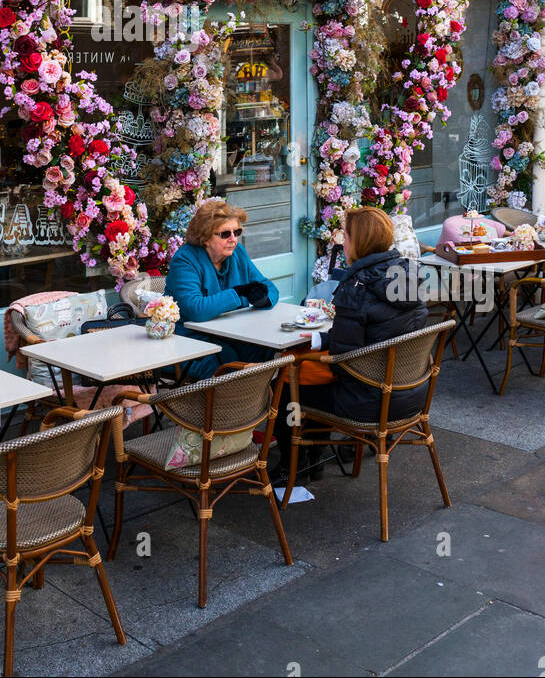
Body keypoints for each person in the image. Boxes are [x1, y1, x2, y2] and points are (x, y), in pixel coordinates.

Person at [272, 205, 429, 487]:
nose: (341, 241)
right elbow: (376, 335)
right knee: (309, 370)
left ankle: (293, 466)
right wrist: (318, 339)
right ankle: (313, 457)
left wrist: (311, 357)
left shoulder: (357, 285)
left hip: (368, 402)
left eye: (345, 235)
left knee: (288, 383)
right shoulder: (407, 274)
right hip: (411, 393)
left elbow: (343, 358)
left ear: (359, 241)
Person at [165, 198, 279, 378]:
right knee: (226, 363)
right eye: (225, 234)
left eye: (237, 232)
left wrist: (264, 299)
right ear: (205, 238)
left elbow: (269, 286)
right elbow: (196, 309)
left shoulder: (237, 253)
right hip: (188, 339)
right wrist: (239, 293)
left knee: (264, 350)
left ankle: (261, 403)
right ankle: (229, 405)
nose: (233, 239)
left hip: (230, 333)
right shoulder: (185, 260)